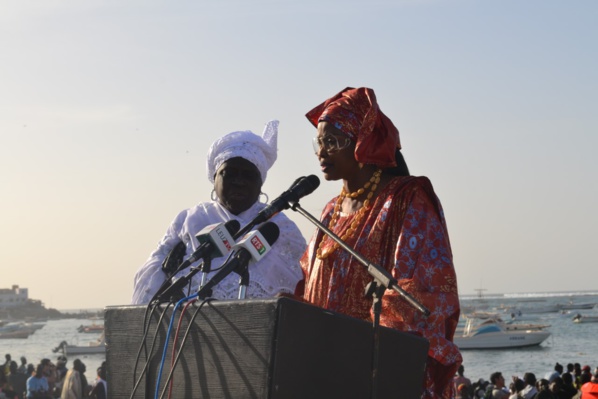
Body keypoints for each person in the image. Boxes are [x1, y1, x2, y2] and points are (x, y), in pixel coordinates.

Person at [298, 87, 461, 398]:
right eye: (319, 142)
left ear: (363, 143)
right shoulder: (331, 210)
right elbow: (310, 285)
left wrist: (364, 350)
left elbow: (422, 293)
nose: (321, 152)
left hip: (375, 377)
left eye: (333, 142)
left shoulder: (406, 199)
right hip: (323, 373)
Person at [131, 120, 306, 304]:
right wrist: (166, 271)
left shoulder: (281, 228)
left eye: (248, 175)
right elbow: (150, 279)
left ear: (260, 184)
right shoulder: (191, 220)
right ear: (214, 179)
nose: (239, 181)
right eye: (229, 173)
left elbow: (302, 290)